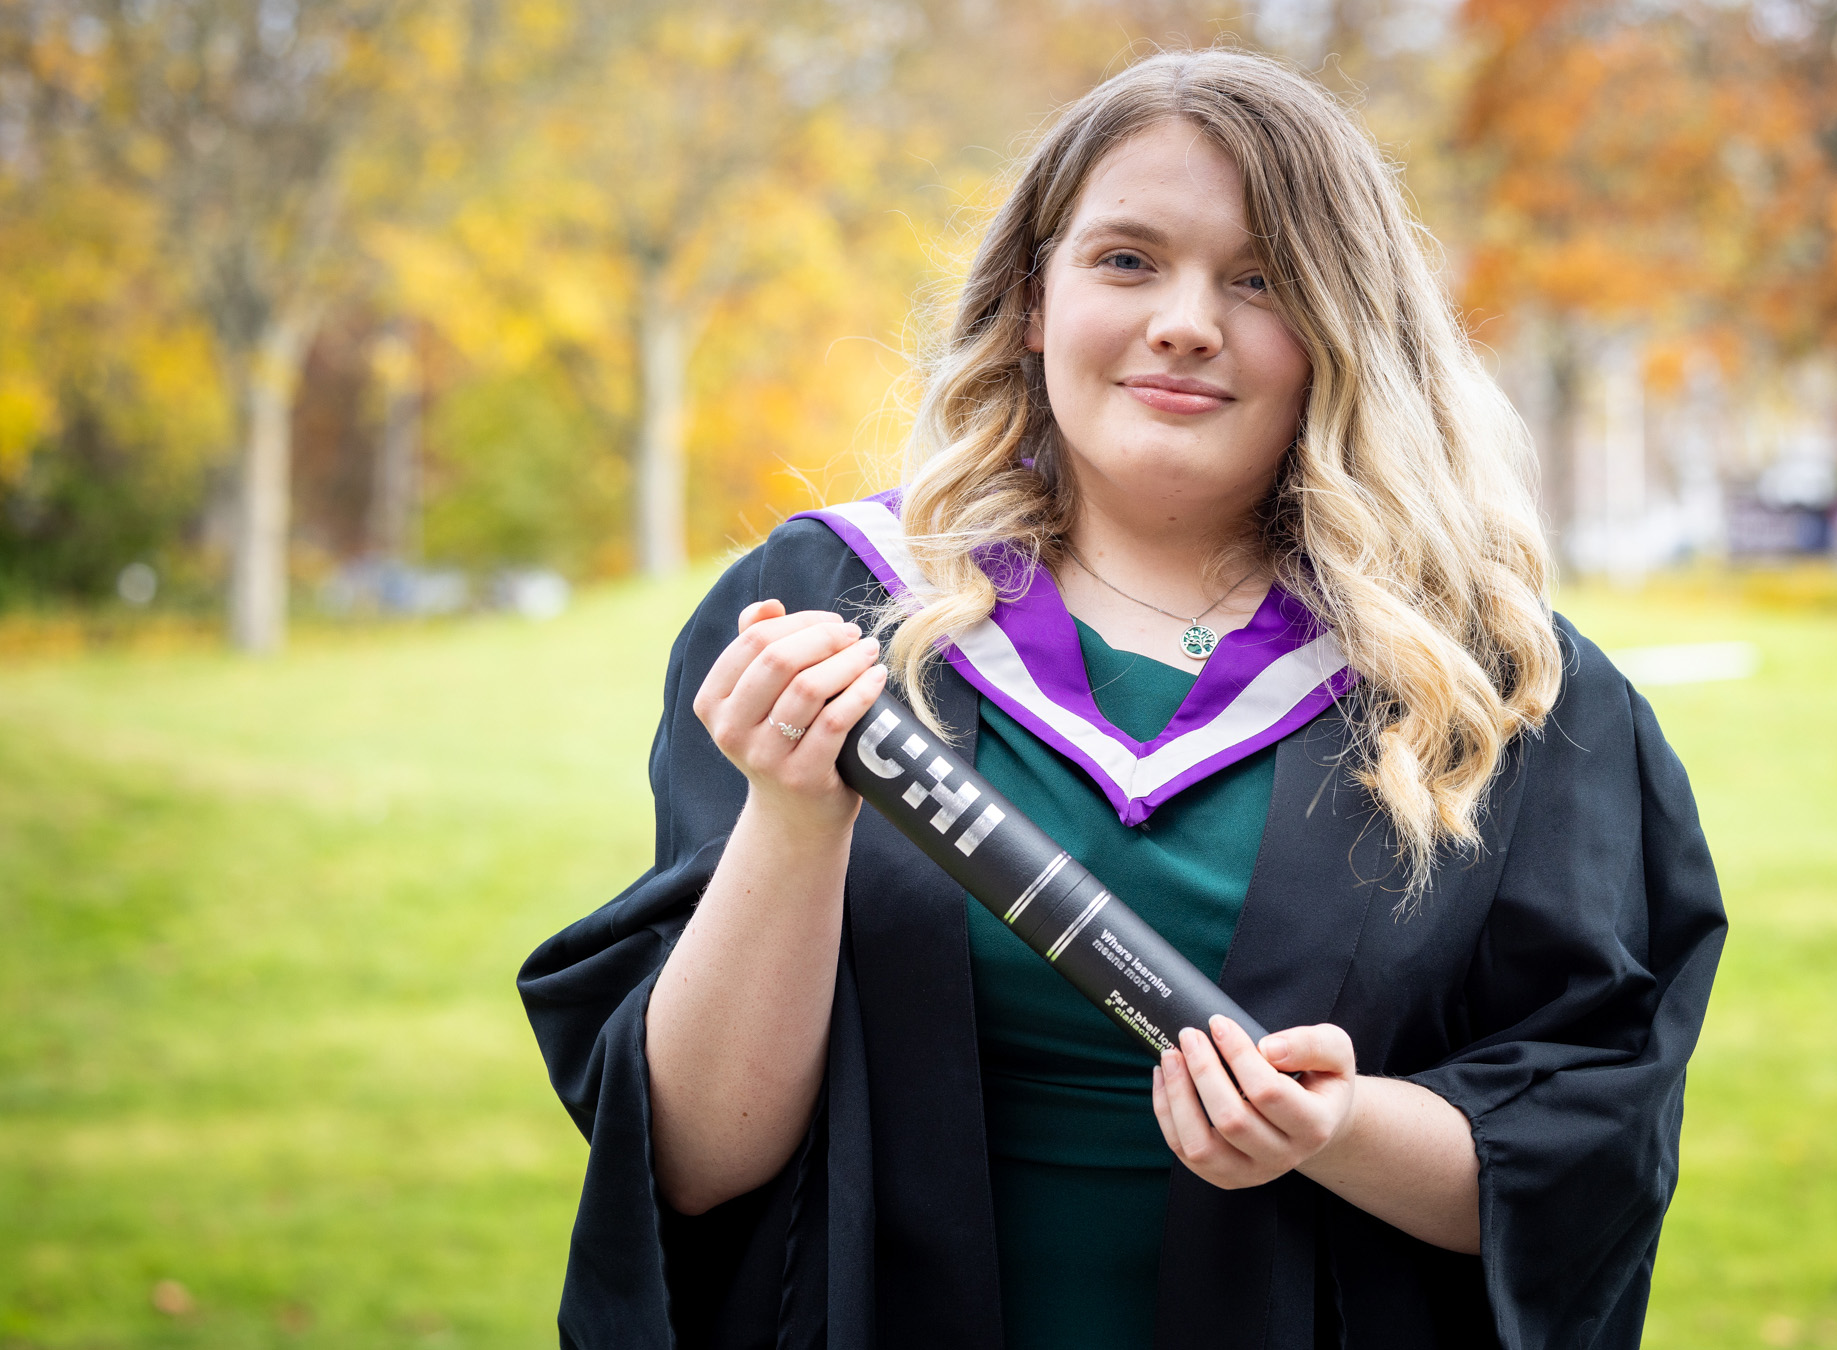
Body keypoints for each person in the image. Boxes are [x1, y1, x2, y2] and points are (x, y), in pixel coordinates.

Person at [520, 48, 1726, 1350]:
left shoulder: (1496, 698)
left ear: (1342, 328)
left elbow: (1585, 1159)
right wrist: (795, 817)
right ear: (1035, 298)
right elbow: (696, 1161)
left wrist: (1336, 1127)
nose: (1186, 321)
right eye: (1127, 260)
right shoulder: (841, 613)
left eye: (1260, 279)